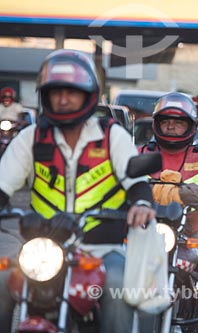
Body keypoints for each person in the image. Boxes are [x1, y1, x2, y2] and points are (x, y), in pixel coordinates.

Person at [0, 50, 156, 333]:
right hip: (43, 249)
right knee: (1, 280)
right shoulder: (31, 137)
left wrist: (142, 203)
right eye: (55, 92)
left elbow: (137, 183)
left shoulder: (111, 135)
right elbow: (2, 183)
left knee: (119, 283)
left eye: (71, 92)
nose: (62, 99)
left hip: (102, 248)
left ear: (89, 95)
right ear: (44, 95)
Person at [145, 92, 198, 333]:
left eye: (178, 121)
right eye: (166, 121)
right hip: (147, 229)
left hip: (193, 232)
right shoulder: (142, 153)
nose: (171, 126)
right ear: (157, 124)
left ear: (190, 126)